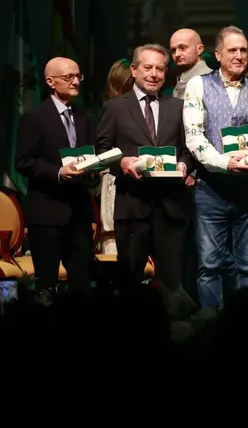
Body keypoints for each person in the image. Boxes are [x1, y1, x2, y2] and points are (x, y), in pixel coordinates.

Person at [182, 26, 248, 309]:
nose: (239, 56)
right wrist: (226, 162)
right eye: (232, 50)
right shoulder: (198, 85)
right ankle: (211, 327)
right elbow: (194, 136)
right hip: (211, 188)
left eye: (244, 50)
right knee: (209, 264)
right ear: (218, 54)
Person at [96, 44, 195, 297]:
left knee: (172, 285)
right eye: (148, 68)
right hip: (132, 206)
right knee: (128, 283)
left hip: (170, 207)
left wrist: (184, 164)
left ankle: (173, 332)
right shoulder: (115, 108)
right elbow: (103, 150)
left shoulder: (178, 106)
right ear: (134, 70)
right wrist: (121, 163)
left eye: (160, 69)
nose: (154, 74)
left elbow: (188, 148)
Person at [14, 57, 98, 296]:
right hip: (47, 214)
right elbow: (23, 162)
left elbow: (91, 157)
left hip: (79, 215)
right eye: (68, 77)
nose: (75, 82)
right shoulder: (35, 117)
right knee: (46, 285)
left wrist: (95, 170)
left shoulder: (86, 118)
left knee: (82, 284)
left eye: (78, 76)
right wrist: (59, 172)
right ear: (50, 82)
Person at [97, 59, 135, 257]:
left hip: (140, 189)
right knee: (114, 244)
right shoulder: (112, 109)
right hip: (114, 183)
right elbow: (102, 150)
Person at [170, 28, 212, 100]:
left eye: (182, 48)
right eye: (173, 50)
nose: (177, 54)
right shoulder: (182, 80)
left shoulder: (211, 81)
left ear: (199, 49)